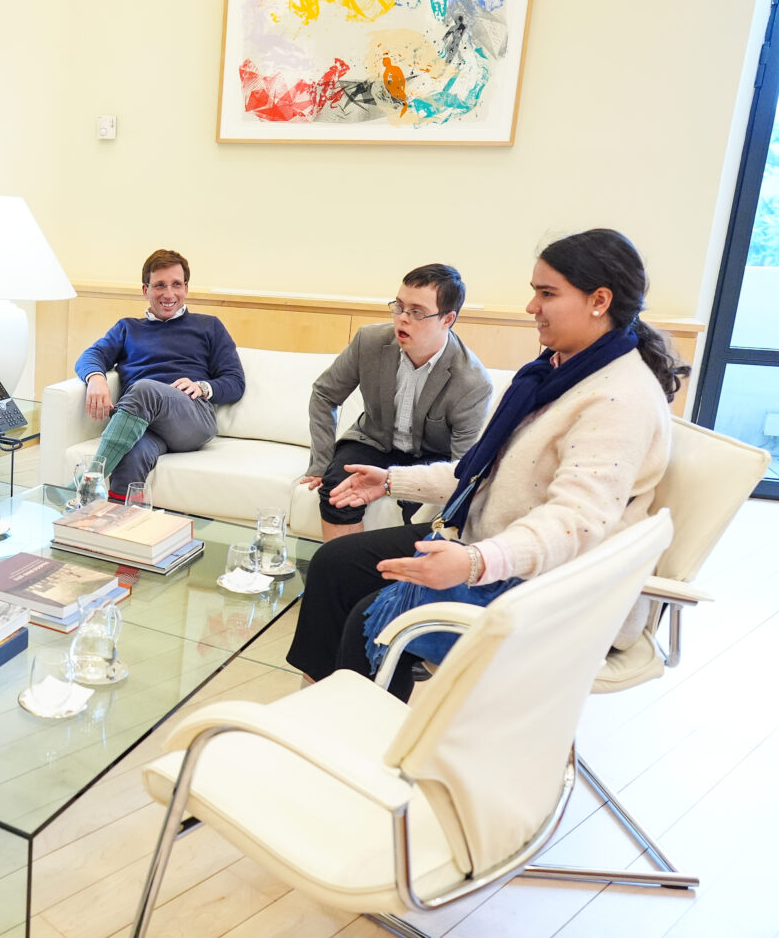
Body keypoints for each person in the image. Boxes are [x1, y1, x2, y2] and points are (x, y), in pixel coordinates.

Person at [287, 229, 688, 701]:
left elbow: (576, 521)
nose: (531, 307)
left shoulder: (618, 397)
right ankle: (319, 703)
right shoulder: (555, 374)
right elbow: (483, 472)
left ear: (599, 300)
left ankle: (364, 732)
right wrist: (391, 481)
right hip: (489, 538)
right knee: (334, 563)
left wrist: (475, 561)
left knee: (370, 619)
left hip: (552, 584)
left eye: (547, 294)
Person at [304, 264, 493, 541]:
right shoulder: (369, 342)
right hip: (373, 441)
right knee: (337, 491)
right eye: (399, 307)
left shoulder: (472, 382)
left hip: (432, 455)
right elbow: (324, 394)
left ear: (447, 319)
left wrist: (405, 484)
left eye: (416, 312)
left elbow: (461, 466)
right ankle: (341, 568)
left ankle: (398, 570)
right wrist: (320, 463)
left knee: (426, 510)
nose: (402, 319)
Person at [74, 249, 245, 495]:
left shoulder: (209, 326)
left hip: (191, 418)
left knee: (144, 388)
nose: (169, 294)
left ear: (186, 288)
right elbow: (90, 356)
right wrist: (96, 378)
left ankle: (88, 482)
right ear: (146, 290)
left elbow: (235, 382)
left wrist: (201, 387)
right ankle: (122, 516)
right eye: (160, 285)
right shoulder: (127, 328)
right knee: (129, 454)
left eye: (176, 284)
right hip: (143, 425)